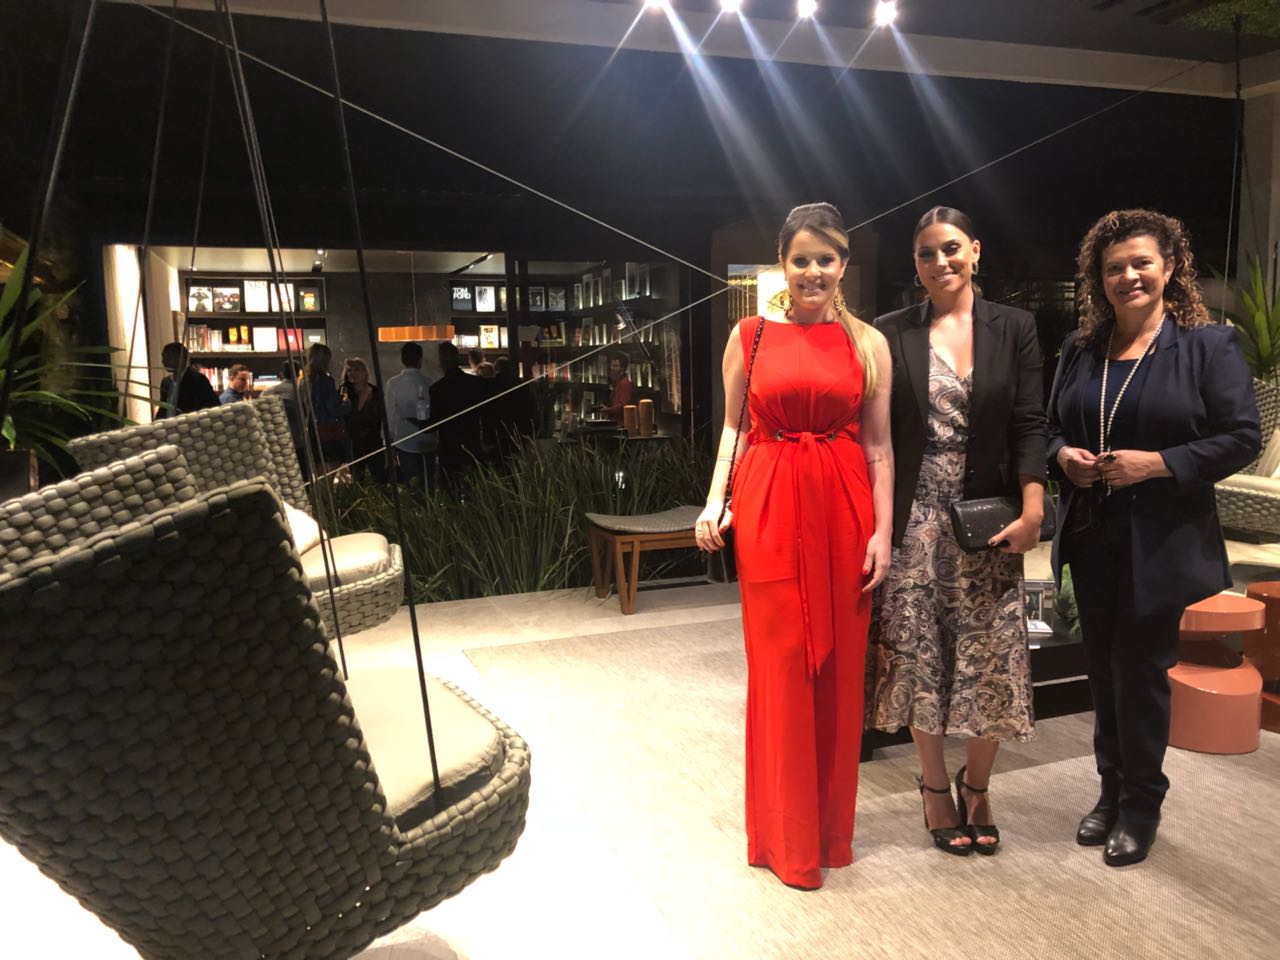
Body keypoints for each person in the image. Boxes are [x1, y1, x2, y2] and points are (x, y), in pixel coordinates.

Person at [1047, 209, 1260, 867]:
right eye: (1114, 267)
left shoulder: (1207, 345)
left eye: (1141, 262)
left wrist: (1158, 463)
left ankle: (1141, 805)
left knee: (1140, 674)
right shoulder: (1081, 349)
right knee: (1102, 671)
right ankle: (1110, 791)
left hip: (1159, 540)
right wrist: (1063, 457)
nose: (1128, 276)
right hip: (1091, 534)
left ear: (1169, 267)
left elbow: (1242, 438)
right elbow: (1051, 428)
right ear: (1099, 277)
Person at [696, 202, 893, 889]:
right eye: (801, 258)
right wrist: (715, 500)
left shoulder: (868, 343)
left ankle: (830, 836)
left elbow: (879, 446)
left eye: (826, 259)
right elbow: (733, 428)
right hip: (770, 504)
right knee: (779, 666)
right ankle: (784, 839)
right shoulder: (748, 336)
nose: (814, 271)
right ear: (782, 263)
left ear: (844, 265)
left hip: (844, 504)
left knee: (839, 670)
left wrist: (883, 533)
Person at [868, 206, 1048, 858]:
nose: (939, 261)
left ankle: (979, 786)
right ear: (915, 264)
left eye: (950, 248)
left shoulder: (1015, 327)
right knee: (919, 653)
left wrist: (1033, 508)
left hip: (988, 517)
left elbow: (1030, 422)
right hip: (916, 516)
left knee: (992, 653)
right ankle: (935, 785)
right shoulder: (891, 332)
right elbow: (878, 436)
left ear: (974, 250)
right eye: (926, 253)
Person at [425, 341, 487, 496]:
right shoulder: (475, 384)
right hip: (472, 445)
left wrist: (419, 424)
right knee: (475, 494)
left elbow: (434, 422)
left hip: (449, 449)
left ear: (441, 362)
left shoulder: (437, 389)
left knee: (450, 493)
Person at [384, 342, 435, 492]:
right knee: (429, 486)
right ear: (420, 360)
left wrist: (387, 444)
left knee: (412, 486)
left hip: (404, 441)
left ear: (402, 359)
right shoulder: (429, 383)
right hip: (428, 441)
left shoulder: (393, 384)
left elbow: (389, 416)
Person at [340, 357, 387, 483]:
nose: (352, 373)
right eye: (349, 370)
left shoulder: (375, 392)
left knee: (379, 476)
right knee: (357, 477)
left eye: (356, 369)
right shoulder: (344, 391)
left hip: (373, 440)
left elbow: (382, 416)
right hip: (353, 441)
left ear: (364, 372)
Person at [304, 343, 348, 468]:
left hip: (312, 430)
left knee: (318, 469)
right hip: (328, 432)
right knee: (330, 468)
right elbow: (332, 409)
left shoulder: (304, 382)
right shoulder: (326, 381)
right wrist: (346, 407)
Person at [264, 358, 306, 474]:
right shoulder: (300, 392)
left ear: (281, 374)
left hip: (274, 444)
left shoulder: (268, 392)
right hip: (297, 442)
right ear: (299, 374)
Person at [155, 342, 218, 419]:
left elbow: (212, 406)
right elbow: (163, 410)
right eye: (163, 357)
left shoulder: (198, 380)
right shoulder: (166, 382)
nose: (164, 361)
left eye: (169, 357)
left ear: (182, 359)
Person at [594, 354, 633, 425]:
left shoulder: (624, 384)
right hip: (616, 424)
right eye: (611, 365)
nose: (611, 368)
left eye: (615, 366)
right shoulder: (618, 383)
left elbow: (623, 406)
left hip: (620, 425)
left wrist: (607, 410)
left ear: (623, 368)